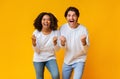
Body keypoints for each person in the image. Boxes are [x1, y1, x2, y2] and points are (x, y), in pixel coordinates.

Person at [59, 7, 89, 79]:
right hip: (67, 60)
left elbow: (86, 50)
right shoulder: (62, 28)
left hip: (79, 60)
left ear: (77, 17)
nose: (71, 17)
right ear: (66, 17)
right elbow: (61, 47)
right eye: (69, 15)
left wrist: (84, 42)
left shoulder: (83, 29)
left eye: (74, 15)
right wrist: (62, 43)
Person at [32, 12, 60, 79]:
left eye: (48, 20)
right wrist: (34, 43)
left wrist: (55, 43)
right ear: (40, 21)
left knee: (56, 75)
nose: (46, 21)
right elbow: (37, 51)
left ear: (51, 21)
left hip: (50, 57)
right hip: (38, 58)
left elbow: (57, 50)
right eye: (44, 19)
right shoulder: (36, 33)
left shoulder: (56, 32)